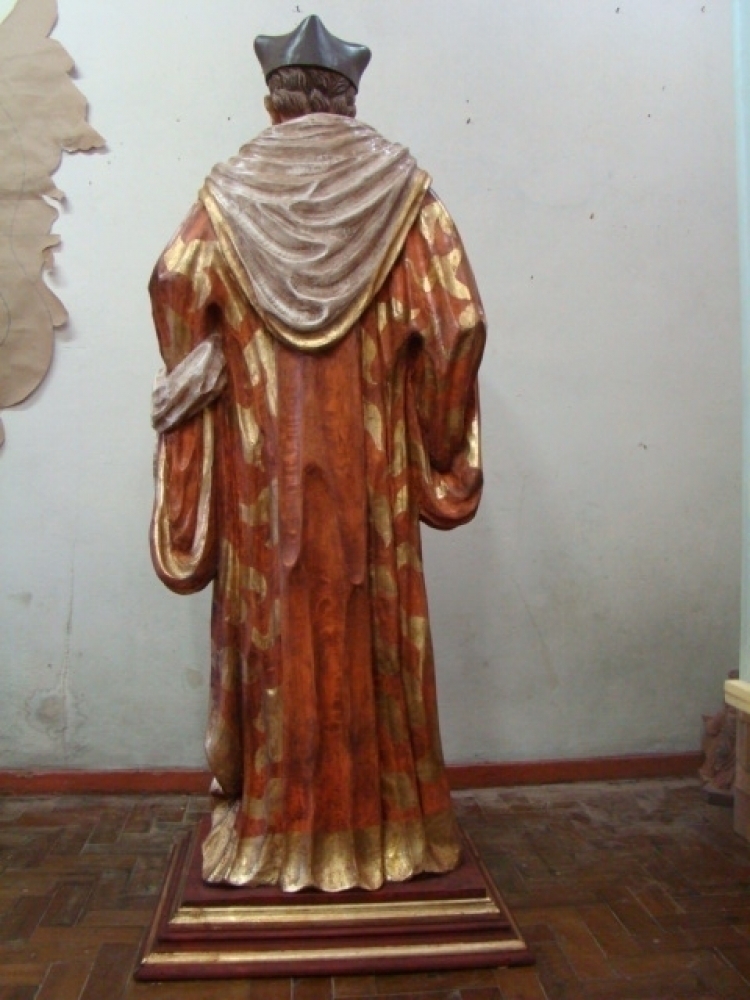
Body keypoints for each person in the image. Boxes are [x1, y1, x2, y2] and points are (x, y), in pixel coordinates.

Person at [149, 16, 486, 893]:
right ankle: (393, 832)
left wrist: (203, 373)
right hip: (371, 482)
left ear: (274, 100)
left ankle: (274, 831)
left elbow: (174, 280)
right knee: (372, 634)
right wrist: (435, 445)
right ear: (348, 97)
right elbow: (458, 324)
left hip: (264, 484)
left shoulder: (226, 197)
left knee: (278, 638)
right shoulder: (407, 196)